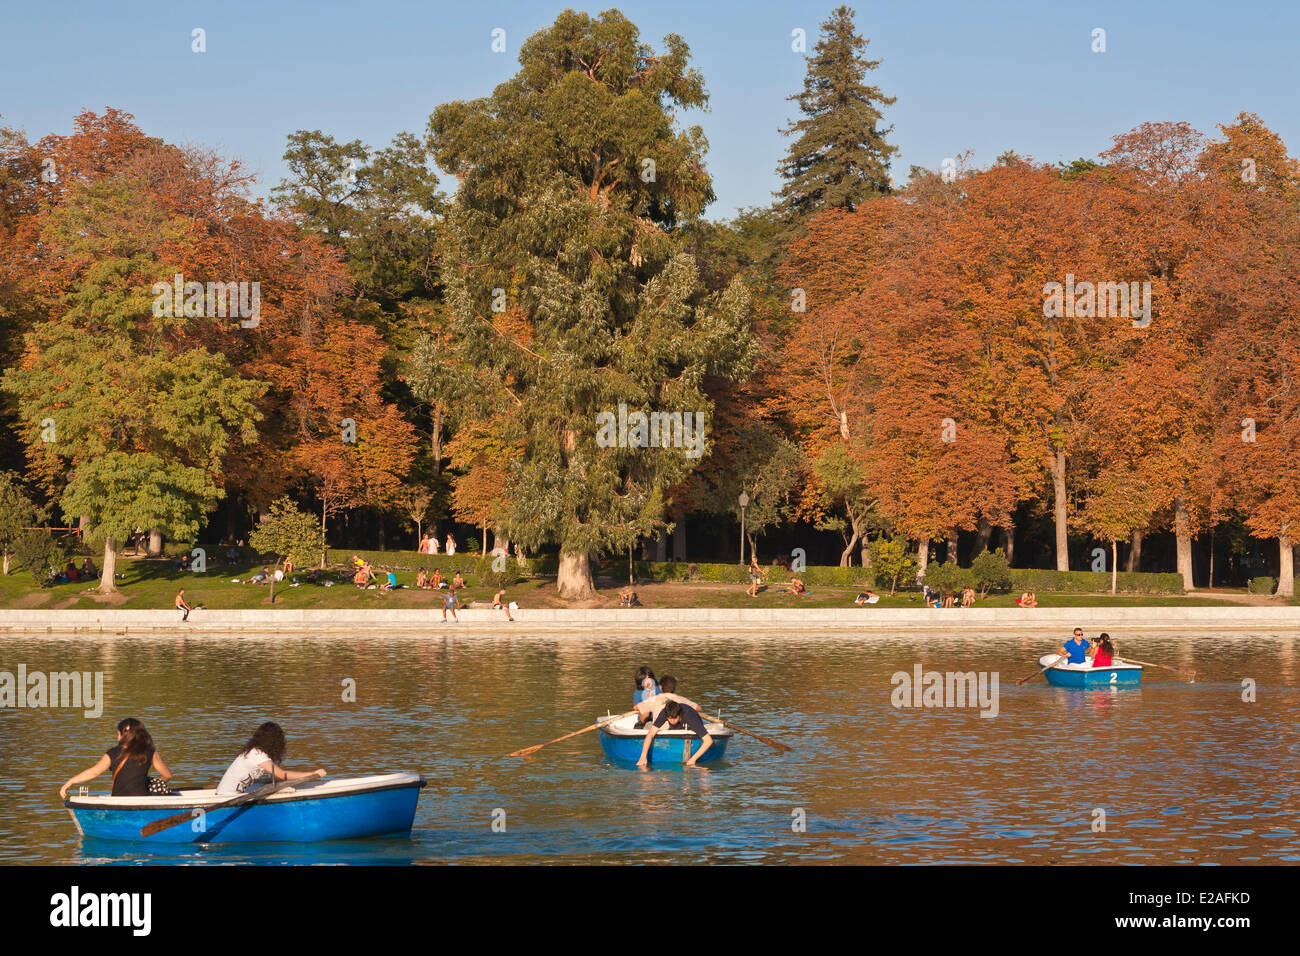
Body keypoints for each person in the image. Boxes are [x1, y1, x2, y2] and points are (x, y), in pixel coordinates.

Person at [60, 717, 173, 799]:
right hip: (142, 799)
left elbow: (94, 772)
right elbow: (167, 775)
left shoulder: (113, 753)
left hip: (118, 799)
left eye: (117, 734)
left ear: (122, 735)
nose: (117, 737)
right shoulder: (150, 752)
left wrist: (70, 782)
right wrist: (151, 784)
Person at [216, 721, 325, 795]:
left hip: (229, 793)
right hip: (227, 796)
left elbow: (278, 776)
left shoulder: (256, 752)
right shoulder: (257, 753)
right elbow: (282, 774)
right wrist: (313, 774)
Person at [637, 698, 714, 769]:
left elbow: (708, 741)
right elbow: (651, 734)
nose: (672, 721)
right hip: (675, 729)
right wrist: (643, 756)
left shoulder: (690, 716)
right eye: (670, 719)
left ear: (679, 715)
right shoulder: (664, 712)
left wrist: (692, 760)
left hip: (691, 726)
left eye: (675, 718)